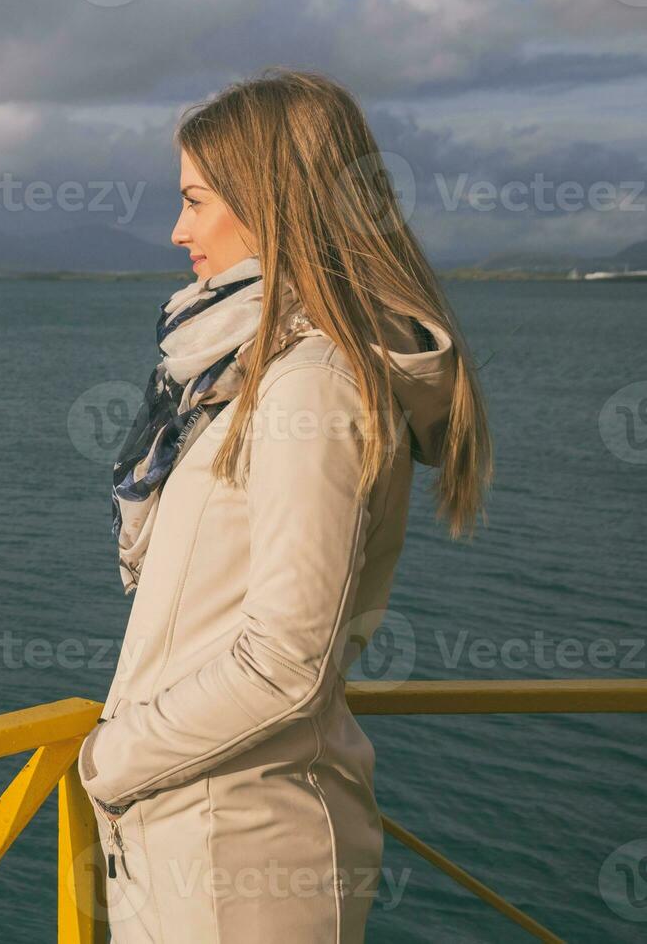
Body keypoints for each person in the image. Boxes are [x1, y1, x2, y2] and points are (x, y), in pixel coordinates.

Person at [77, 67, 492, 943]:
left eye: (195, 200)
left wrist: (108, 759)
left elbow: (284, 662)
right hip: (198, 838)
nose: (176, 229)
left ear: (271, 199)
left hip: (238, 866)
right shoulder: (249, 379)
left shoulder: (314, 384)